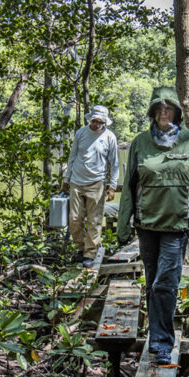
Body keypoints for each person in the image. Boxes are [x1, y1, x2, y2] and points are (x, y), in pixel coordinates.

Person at [118, 86, 189, 364]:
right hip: (147, 225)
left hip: (177, 227)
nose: (164, 113)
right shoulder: (140, 142)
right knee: (153, 282)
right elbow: (129, 186)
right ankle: (157, 335)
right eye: (159, 108)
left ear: (177, 113)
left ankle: (162, 344)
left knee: (165, 283)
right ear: (153, 112)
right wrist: (123, 225)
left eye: (170, 108)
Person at [62, 104, 119, 268]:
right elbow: (72, 157)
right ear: (90, 120)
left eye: (100, 122)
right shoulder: (81, 133)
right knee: (74, 219)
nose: (97, 125)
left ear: (105, 123)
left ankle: (90, 253)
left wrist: (112, 186)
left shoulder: (109, 137)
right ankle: (81, 248)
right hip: (77, 182)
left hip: (97, 183)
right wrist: (66, 180)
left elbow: (114, 164)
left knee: (94, 221)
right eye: (95, 121)